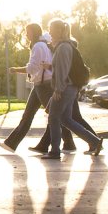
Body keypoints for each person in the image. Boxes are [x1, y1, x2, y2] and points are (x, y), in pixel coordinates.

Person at [0, 23, 75, 152]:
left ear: (33, 32)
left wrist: (15, 69)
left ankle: (62, 143)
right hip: (40, 83)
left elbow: (33, 68)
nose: (26, 34)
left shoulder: (38, 46)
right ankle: (12, 143)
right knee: (31, 115)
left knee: (54, 115)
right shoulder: (42, 44)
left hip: (44, 84)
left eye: (27, 32)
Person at [43, 19, 102, 159]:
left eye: (51, 29)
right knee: (66, 119)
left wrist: (58, 89)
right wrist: (51, 67)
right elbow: (64, 68)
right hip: (70, 87)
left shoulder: (63, 47)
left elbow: (63, 70)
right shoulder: (66, 46)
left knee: (53, 117)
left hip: (65, 88)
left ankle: (55, 151)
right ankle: (94, 142)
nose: (49, 32)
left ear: (59, 30)